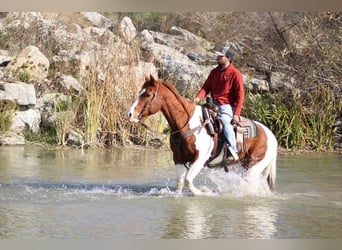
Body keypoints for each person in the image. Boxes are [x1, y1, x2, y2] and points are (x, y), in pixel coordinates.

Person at [194, 47, 244, 161]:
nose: (218, 57)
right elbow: (206, 87)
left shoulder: (235, 74)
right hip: (212, 104)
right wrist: (198, 97)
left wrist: (236, 114)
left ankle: (233, 150)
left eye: (221, 56)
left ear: (228, 58)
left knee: (225, 123)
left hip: (227, 106)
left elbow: (240, 96)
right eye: (218, 55)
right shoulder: (214, 72)